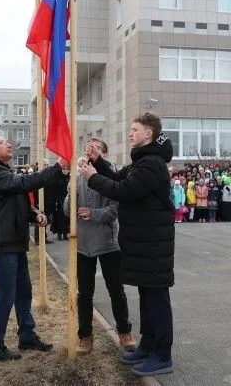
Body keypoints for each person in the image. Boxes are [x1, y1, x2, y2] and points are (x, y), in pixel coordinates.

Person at [81, 112, 174, 377]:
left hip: (153, 243)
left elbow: (124, 191)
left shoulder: (152, 164)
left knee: (156, 298)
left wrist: (91, 177)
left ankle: (162, 354)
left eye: (135, 129)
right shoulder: (142, 161)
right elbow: (119, 177)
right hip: (145, 242)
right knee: (147, 297)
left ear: (149, 134)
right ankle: (148, 345)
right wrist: (98, 163)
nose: (131, 133)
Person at [0, 136, 68, 362]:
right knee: (5, 295)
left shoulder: (4, 172)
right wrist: (57, 167)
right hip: (1, 244)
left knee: (23, 291)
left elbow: (16, 200)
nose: (9, 144)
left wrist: (34, 214)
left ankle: (26, 335)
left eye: (9, 141)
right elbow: (23, 185)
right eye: (2, 142)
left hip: (13, 242)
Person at [64, 140, 136, 354]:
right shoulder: (77, 178)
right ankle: (85, 337)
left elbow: (115, 210)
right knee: (84, 293)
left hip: (108, 243)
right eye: (88, 149)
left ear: (103, 155)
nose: (90, 152)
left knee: (116, 290)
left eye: (96, 149)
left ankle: (124, 332)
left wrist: (94, 214)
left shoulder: (112, 178)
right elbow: (68, 211)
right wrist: (70, 193)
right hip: (83, 244)